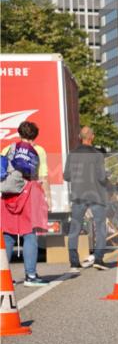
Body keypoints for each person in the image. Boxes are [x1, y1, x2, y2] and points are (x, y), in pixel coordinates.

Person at [2, 121, 51, 284]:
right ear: (35, 135)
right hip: (28, 194)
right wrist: (48, 198)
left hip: (8, 196)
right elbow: (42, 177)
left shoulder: (8, 149)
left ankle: (4, 277)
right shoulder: (38, 151)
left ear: (19, 133)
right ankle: (31, 276)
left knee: (7, 236)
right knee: (29, 234)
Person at [64, 126, 112, 272]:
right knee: (100, 227)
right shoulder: (98, 155)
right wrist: (107, 178)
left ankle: (73, 262)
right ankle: (98, 259)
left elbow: (66, 176)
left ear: (80, 137)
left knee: (75, 228)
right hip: (96, 195)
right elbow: (101, 177)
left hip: (79, 194)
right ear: (92, 137)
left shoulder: (72, 154)